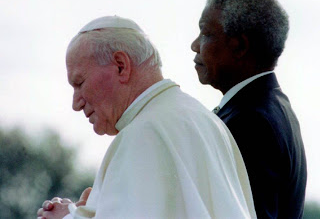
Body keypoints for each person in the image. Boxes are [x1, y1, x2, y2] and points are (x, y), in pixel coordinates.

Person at [37, 16, 257, 218]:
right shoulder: (207, 120)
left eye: (79, 83)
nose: (76, 103)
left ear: (121, 66)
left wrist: (68, 217)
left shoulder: (144, 133)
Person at [191, 0, 307, 219]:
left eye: (206, 33)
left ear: (240, 46)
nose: (194, 45)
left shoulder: (250, 121)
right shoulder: (272, 108)